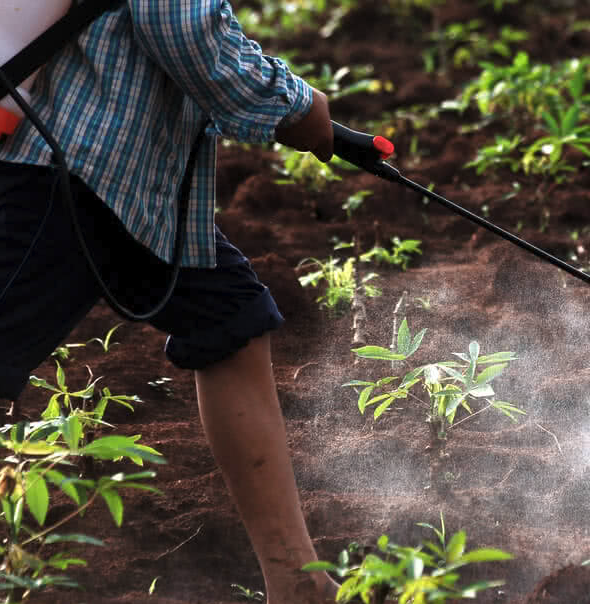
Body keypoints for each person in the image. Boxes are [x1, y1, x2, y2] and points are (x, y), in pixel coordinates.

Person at [0, 2, 338, 602]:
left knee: (228, 316)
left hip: (127, 174)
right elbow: (179, 23)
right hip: (62, 165)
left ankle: (299, 584)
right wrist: (294, 106)